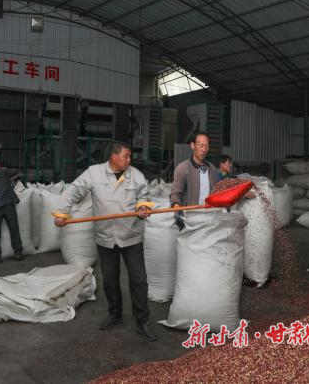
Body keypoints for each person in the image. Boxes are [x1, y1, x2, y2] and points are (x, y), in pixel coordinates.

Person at [52, 142, 157, 342]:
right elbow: (73, 191)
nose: (129, 160)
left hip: (131, 235)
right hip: (105, 236)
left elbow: (144, 196)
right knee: (109, 279)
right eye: (126, 156)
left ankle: (142, 321)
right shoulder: (94, 173)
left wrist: (142, 207)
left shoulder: (136, 175)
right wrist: (62, 213)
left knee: (139, 280)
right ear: (113, 156)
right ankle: (115, 315)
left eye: (130, 156)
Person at [170, 132, 219, 228]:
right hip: (190, 218)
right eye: (201, 146)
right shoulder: (183, 168)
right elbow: (175, 193)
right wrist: (176, 206)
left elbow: (217, 192)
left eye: (206, 146)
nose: (204, 150)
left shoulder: (212, 169)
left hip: (209, 217)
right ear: (192, 145)